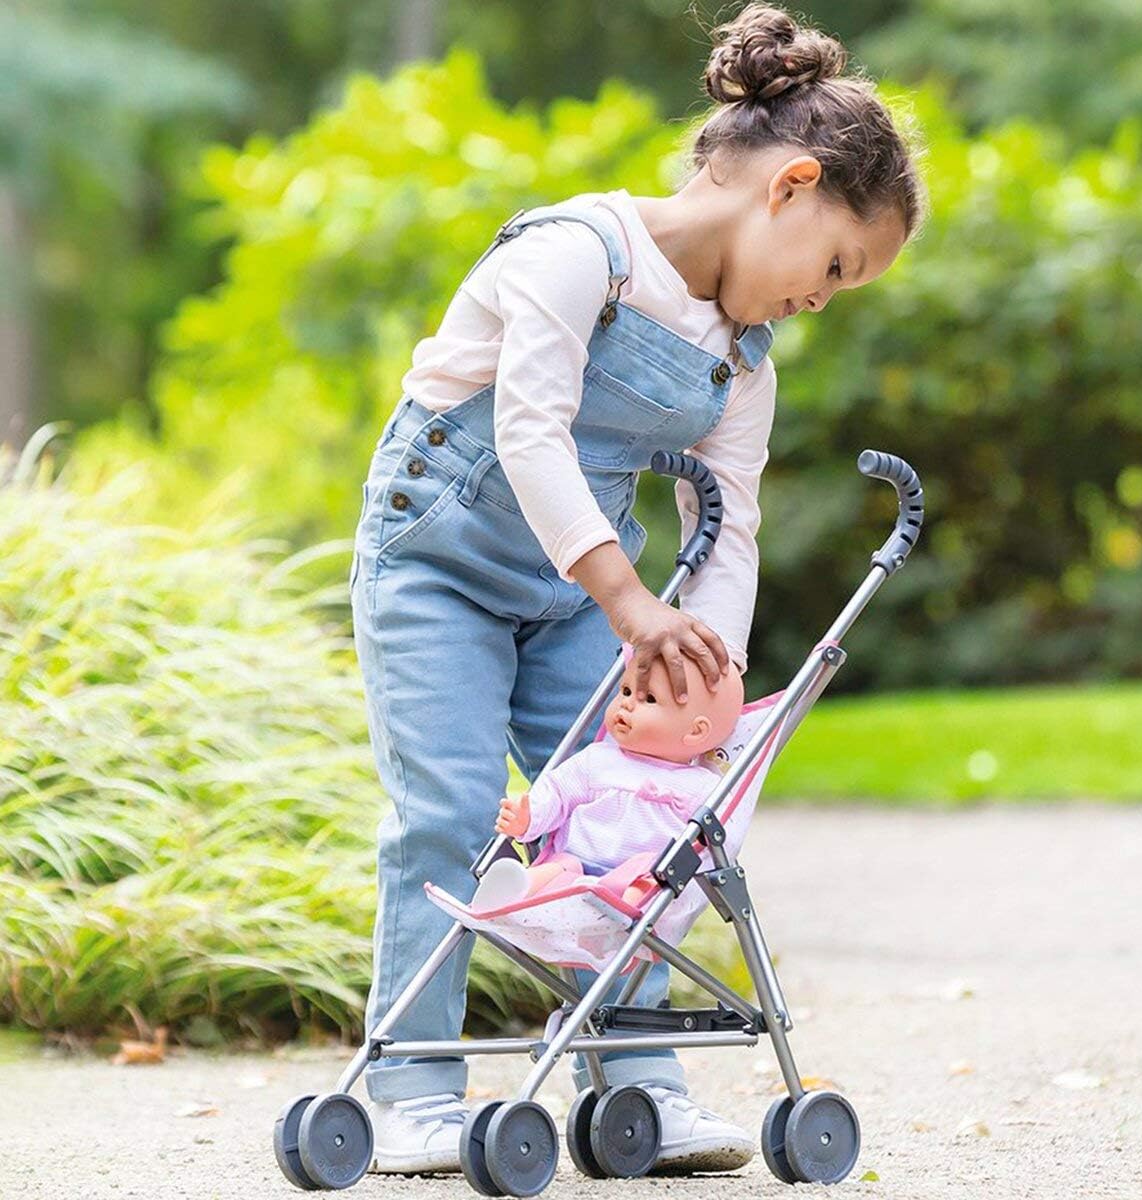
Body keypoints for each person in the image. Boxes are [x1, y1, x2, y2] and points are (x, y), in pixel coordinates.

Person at [349, 0, 925, 1177]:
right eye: (833, 265)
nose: (823, 298)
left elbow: (729, 524)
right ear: (791, 186)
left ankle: (641, 1080)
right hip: (437, 572)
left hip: (576, 596)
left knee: (632, 824)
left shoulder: (741, 361)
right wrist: (629, 605)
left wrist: (701, 664)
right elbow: (530, 434)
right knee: (449, 817)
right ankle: (412, 1085)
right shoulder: (576, 255)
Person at [472, 652, 745, 910]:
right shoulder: (597, 760)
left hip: (636, 879)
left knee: (647, 872)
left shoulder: (700, 786)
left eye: (648, 698)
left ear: (696, 731)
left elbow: (722, 839)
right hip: (575, 869)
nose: (626, 703)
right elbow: (557, 791)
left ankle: (627, 911)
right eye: (625, 691)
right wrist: (529, 818)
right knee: (557, 868)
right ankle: (515, 889)